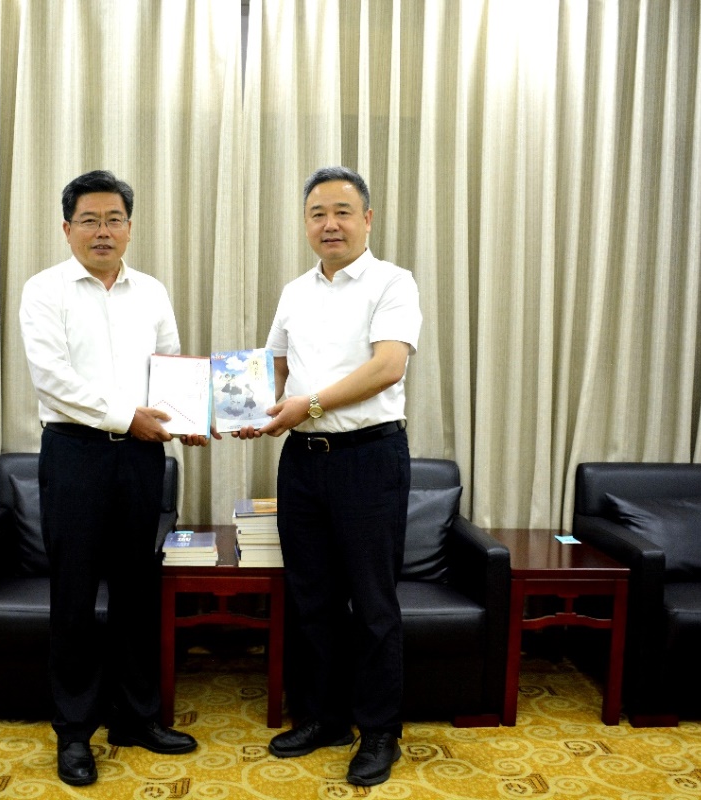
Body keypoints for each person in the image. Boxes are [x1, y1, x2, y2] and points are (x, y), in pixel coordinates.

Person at [19, 169, 216, 787]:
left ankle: (136, 718)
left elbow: (170, 367)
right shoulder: (44, 290)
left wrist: (186, 417)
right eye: (89, 220)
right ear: (67, 228)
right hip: (74, 454)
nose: (102, 231)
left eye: (113, 220)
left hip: (140, 458)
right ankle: (74, 733)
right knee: (74, 596)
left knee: (137, 589)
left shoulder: (151, 291)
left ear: (129, 227)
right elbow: (52, 379)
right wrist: (127, 416)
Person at [235, 166, 422, 786]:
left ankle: (380, 731)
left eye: (342, 211)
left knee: (372, 602)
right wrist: (246, 411)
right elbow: (275, 367)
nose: (330, 224)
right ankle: (324, 717)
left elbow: (387, 367)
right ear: (306, 223)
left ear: (367, 219)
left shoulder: (393, 283)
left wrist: (308, 406)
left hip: (369, 459)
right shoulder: (295, 291)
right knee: (310, 598)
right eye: (318, 213)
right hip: (302, 463)